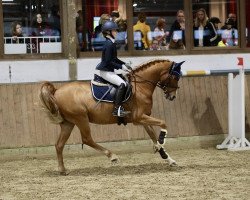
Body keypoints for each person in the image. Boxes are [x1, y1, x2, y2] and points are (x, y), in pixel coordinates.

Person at [95, 21, 131, 117]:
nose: (116, 32)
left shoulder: (111, 43)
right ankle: (117, 109)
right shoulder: (108, 44)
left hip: (109, 70)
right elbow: (108, 61)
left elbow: (114, 59)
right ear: (108, 32)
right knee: (122, 84)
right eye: (114, 30)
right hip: (105, 71)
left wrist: (124, 64)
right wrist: (121, 67)